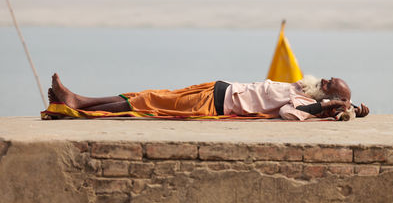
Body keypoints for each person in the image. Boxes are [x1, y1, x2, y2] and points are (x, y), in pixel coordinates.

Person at [48, 73, 369, 120]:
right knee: (144, 94)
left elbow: (288, 114)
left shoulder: (303, 104)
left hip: (214, 104)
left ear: (327, 96)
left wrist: (330, 107)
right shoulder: (302, 87)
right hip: (217, 87)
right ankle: (78, 98)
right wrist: (350, 107)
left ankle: (76, 105)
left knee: (146, 105)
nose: (323, 79)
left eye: (328, 84)